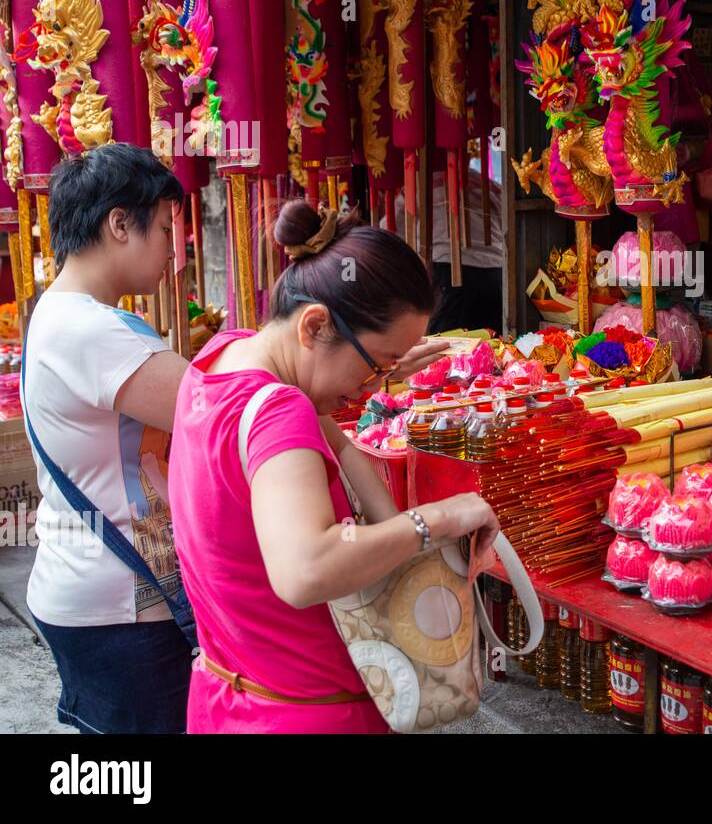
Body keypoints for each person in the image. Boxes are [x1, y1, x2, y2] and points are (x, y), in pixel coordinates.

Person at [167, 200, 500, 733]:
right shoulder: (281, 411)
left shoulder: (220, 359)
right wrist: (440, 519)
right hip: (305, 713)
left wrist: (378, 366)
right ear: (315, 325)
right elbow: (306, 570)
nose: (373, 387)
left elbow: (344, 455)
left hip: (225, 699)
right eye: (377, 363)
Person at [21, 143, 192, 733]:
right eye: (167, 228)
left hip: (90, 589)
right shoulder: (92, 330)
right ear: (120, 223)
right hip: (119, 606)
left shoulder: (60, 312)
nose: (175, 250)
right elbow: (218, 409)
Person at [428, 164, 504, 333]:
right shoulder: (488, 184)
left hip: (451, 270)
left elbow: (390, 227)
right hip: (495, 272)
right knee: (491, 341)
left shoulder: (421, 184)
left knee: (447, 346)